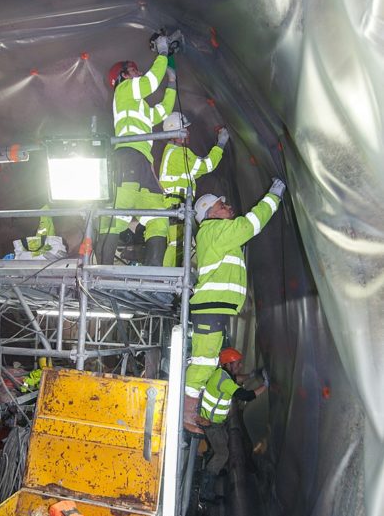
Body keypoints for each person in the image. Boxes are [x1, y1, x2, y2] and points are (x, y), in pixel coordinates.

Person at [183, 177, 286, 418]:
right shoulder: (216, 231)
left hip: (214, 308)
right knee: (204, 362)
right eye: (222, 206)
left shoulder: (213, 233)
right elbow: (249, 225)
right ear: (209, 214)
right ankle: (187, 412)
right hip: (212, 308)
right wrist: (274, 196)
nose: (229, 207)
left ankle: (189, 411)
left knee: (205, 360)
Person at [97, 34, 178, 266]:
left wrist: (171, 84)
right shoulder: (124, 90)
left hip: (142, 161)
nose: (138, 72)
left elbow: (162, 112)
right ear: (123, 76)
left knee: (158, 216)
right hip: (128, 158)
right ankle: (102, 274)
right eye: (133, 70)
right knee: (115, 215)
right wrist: (162, 54)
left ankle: (155, 276)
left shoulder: (138, 105)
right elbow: (151, 82)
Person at [198, 347, 269, 502]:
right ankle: (205, 492)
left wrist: (251, 375)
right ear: (228, 365)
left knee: (221, 447)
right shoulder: (224, 380)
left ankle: (215, 468)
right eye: (237, 364)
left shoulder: (221, 374)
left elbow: (236, 379)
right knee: (222, 453)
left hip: (214, 421)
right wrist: (266, 386)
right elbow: (245, 395)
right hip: (212, 424)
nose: (240, 366)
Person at [159, 112, 229, 266]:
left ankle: (173, 277)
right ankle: (170, 278)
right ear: (176, 132)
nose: (188, 132)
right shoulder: (178, 153)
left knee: (179, 243)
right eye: (185, 129)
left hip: (176, 203)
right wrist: (221, 144)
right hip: (176, 204)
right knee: (177, 244)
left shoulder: (172, 153)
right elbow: (206, 166)